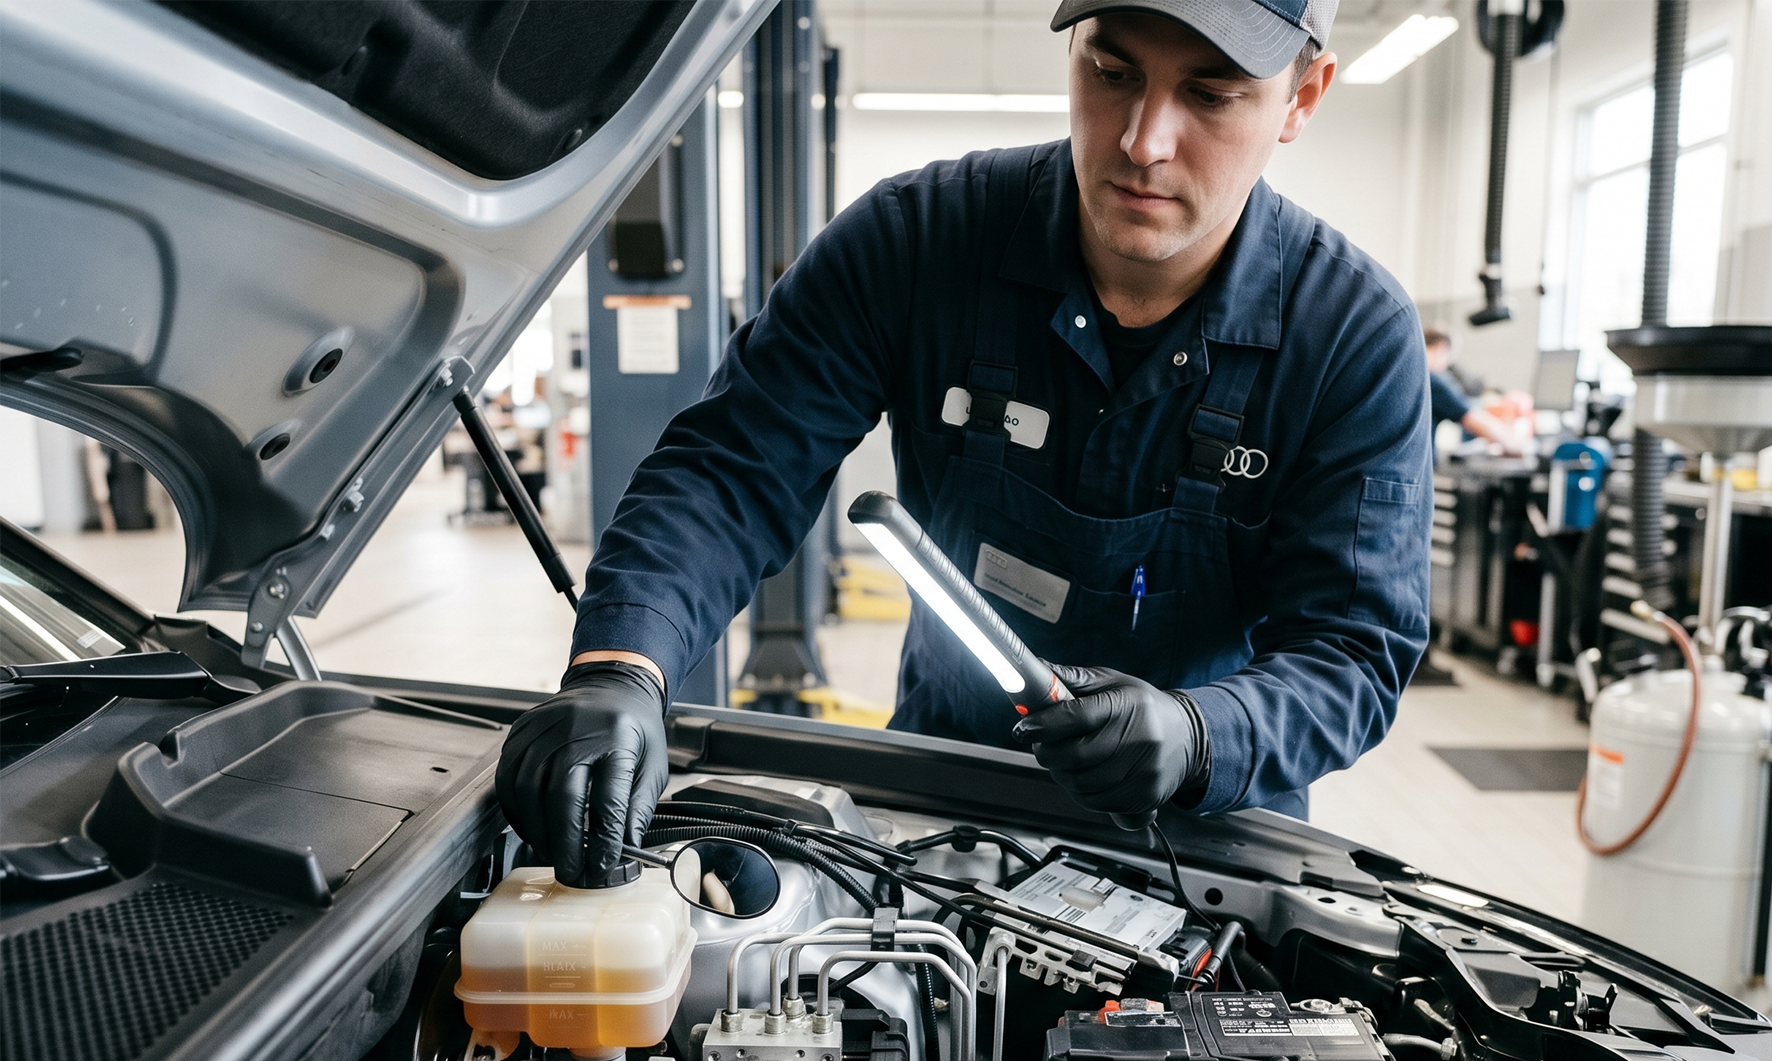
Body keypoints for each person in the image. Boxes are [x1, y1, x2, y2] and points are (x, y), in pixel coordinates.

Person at [499, 0, 1433, 888]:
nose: (1143, 141)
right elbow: (733, 467)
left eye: (1211, 94)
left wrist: (1199, 734)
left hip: (1206, 842)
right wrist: (623, 664)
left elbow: (1352, 648)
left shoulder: (1349, 334)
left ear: (1301, 98)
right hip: (935, 809)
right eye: (1111, 71)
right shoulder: (917, 241)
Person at [1424, 326, 1529, 455]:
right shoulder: (1430, 379)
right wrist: (1516, 447)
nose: (1445, 367)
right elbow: (1472, 419)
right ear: (1442, 347)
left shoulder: (1409, 374)